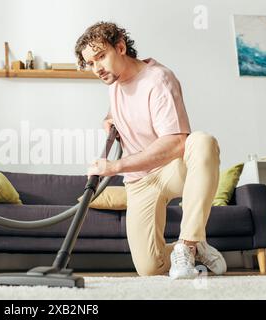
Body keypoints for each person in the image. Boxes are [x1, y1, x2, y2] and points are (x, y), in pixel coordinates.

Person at [75, 21, 226, 279]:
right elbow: (127, 104)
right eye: (91, 63)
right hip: (140, 181)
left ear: (120, 47)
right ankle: (196, 249)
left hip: (172, 168)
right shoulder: (113, 82)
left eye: (101, 56)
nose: (97, 68)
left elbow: (176, 142)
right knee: (149, 267)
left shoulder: (159, 80)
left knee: (202, 142)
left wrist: (115, 167)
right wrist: (109, 117)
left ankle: (188, 243)